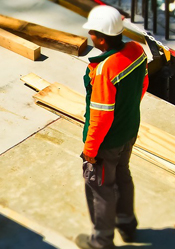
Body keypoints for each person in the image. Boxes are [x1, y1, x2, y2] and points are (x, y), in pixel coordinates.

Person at [76, 5, 149, 249]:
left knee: (100, 189)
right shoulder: (136, 50)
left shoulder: (105, 68)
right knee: (122, 176)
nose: (90, 37)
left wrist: (90, 149)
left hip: (108, 142)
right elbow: (143, 83)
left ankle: (102, 242)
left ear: (102, 37)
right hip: (129, 131)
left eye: (93, 33)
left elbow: (100, 116)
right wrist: (127, 113)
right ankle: (127, 225)